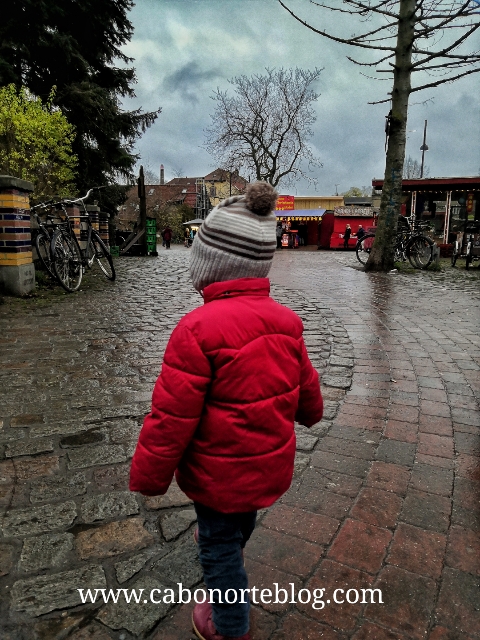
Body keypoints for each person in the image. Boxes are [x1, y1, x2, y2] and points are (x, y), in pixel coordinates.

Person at [129, 182, 323, 640]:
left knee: (219, 553)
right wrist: (311, 413)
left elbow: (170, 417)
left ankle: (228, 626)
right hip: (266, 464)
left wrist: (150, 476)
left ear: (210, 267)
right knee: (241, 517)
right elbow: (306, 384)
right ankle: (227, 539)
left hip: (217, 476)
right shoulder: (286, 321)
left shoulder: (196, 331)